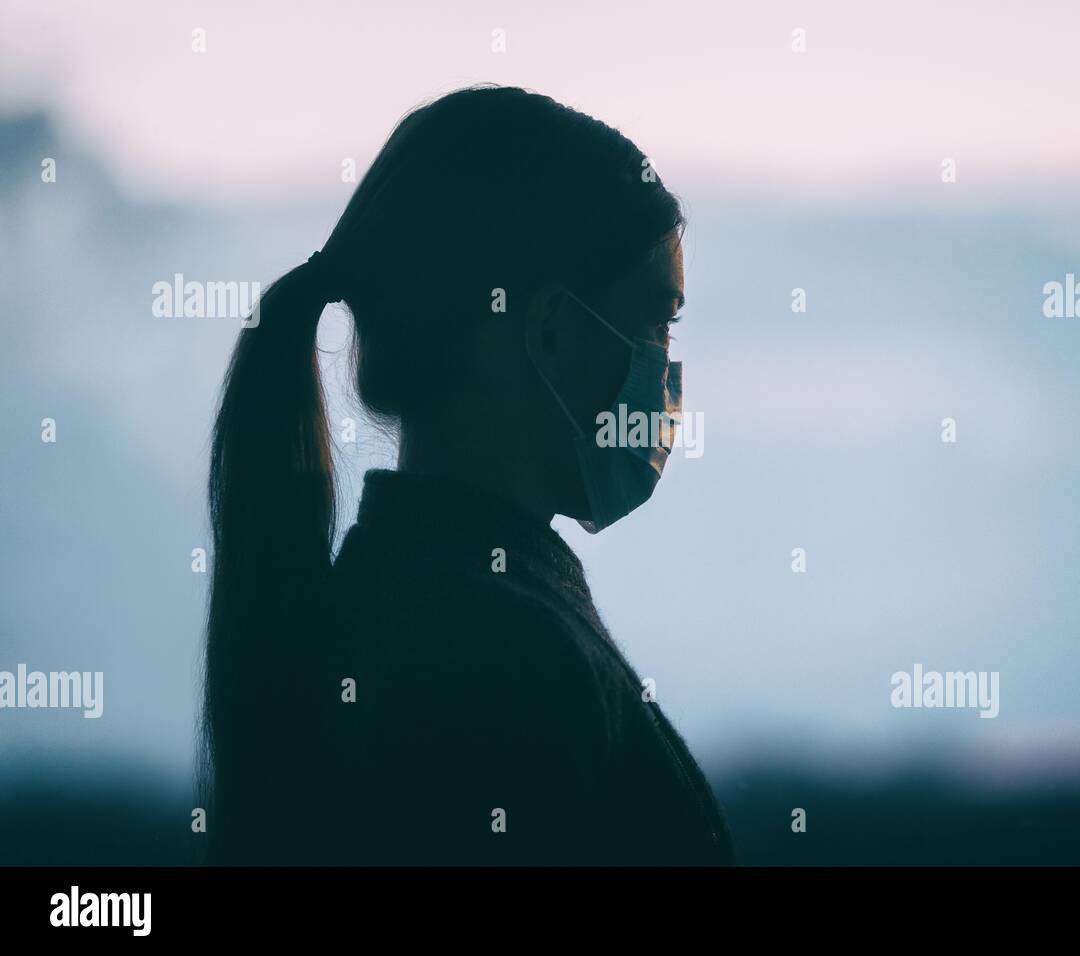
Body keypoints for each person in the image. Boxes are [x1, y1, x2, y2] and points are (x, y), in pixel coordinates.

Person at [201, 85, 736, 865]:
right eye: (658, 318)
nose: (665, 363)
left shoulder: (424, 607)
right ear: (549, 330)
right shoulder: (497, 653)